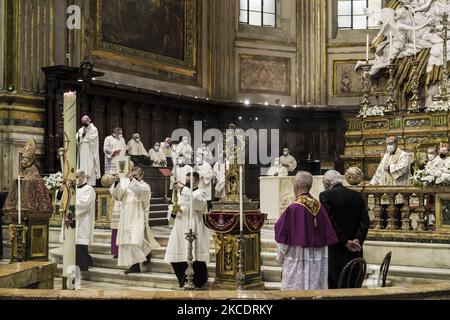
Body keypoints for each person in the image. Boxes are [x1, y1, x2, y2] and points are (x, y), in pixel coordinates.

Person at [274, 171, 338, 291]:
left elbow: (282, 238)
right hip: (316, 265)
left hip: (297, 263)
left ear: (296, 186)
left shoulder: (293, 208)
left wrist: (280, 257)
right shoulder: (319, 207)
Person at [319, 170, 370, 289]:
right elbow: (365, 221)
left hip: (336, 250)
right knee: (353, 284)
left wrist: (345, 241)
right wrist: (357, 239)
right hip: (355, 250)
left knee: (336, 287)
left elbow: (330, 223)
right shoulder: (357, 195)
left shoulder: (325, 195)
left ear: (327, 182)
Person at [110, 167, 160, 274]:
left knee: (135, 239)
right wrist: (118, 182)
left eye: (135, 176)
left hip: (138, 215)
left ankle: (146, 253)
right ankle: (135, 265)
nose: (132, 178)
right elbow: (117, 196)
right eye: (131, 175)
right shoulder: (127, 185)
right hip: (126, 217)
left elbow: (142, 193)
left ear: (141, 176)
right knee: (128, 241)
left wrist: (130, 180)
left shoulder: (145, 186)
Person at [164, 171, 210, 288]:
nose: (188, 182)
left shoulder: (201, 193)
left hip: (193, 225)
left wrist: (183, 188)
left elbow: (197, 204)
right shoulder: (181, 194)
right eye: (187, 179)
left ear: (197, 181)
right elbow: (176, 206)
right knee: (176, 254)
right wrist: (173, 210)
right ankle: (183, 279)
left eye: (190, 180)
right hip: (180, 226)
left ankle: (197, 280)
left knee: (194, 255)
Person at [57, 170, 96, 271]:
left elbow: (85, 204)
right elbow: (60, 201)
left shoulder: (89, 189)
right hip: (70, 218)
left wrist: (70, 203)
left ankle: (83, 265)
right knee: (71, 242)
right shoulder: (71, 189)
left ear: (83, 177)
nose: (75, 179)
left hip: (82, 220)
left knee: (80, 244)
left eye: (77, 177)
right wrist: (62, 191)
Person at [76, 115, 101, 186]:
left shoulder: (94, 129)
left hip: (90, 150)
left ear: (89, 120)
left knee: (90, 165)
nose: (84, 123)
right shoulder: (80, 129)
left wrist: (85, 136)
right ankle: (81, 182)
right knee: (82, 165)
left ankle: (90, 183)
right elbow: (76, 138)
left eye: (85, 121)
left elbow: (94, 139)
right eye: (83, 122)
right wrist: (82, 135)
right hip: (82, 149)